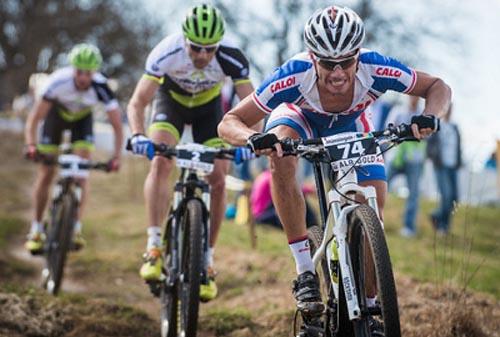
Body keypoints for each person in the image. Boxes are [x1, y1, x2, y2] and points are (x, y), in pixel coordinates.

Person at [218, 4, 451, 329]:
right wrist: (253, 139)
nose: (338, 72)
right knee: (280, 151)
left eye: (346, 61)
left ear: (358, 54)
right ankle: (305, 271)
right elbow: (231, 121)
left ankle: (370, 306)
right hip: (300, 121)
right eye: (328, 63)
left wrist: (430, 117)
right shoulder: (292, 74)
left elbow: (437, 87)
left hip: (352, 124)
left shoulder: (377, 67)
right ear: (313, 57)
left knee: (373, 204)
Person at [126, 4, 254, 301]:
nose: (202, 55)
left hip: (209, 112)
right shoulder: (166, 52)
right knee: (160, 161)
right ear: (185, 40)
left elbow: (252, 105)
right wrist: (136, 135)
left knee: (219, 178)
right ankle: (154, 246)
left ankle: (207, 258)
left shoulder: (232, 57)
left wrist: (251, 141)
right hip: (170, 103)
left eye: (210, 49)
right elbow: (137, 102)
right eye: (196, 48)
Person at [24, 43, 123, 253]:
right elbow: (34, 119)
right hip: (56, 117)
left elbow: (117, 125)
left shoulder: (102, 87)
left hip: (82, 120)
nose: (83, 78)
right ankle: (36, 229)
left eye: (88, 73)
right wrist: (31, 145)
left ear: (94, 72)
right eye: (79, 72)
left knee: (81, 173)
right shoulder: (57, 82)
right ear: (73, 69)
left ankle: (76, 227)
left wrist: (116, 156)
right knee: (46, 171)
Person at [387, 96, 427, 237]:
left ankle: (409, 226)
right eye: (412, 95)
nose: (414, 98)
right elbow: (388, 129)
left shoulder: (424, 113)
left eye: (417, 96)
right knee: (381, 186)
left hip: (415, 159)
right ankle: (373, 220)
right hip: (395, 157)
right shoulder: (398, 111)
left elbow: (429, 135)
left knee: (414, 193)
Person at [427, 104, 462, 235]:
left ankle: (436, 215)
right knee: (446, 196)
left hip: (453, 166)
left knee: (455, 198)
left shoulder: (455, 127)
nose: (450, 111)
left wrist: (459, 161)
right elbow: (429, 146)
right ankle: (443, 226)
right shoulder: (437, 126)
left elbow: (458, 146)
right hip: (441, 166)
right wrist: (434, 158)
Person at [251, 169, 317, 228]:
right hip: (263, 216)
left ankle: (311, 225)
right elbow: (291, 191)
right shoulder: (272, 178)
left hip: (259, 214)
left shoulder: (263, 176)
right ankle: (313, 225)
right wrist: (311, 190)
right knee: (299, 199)